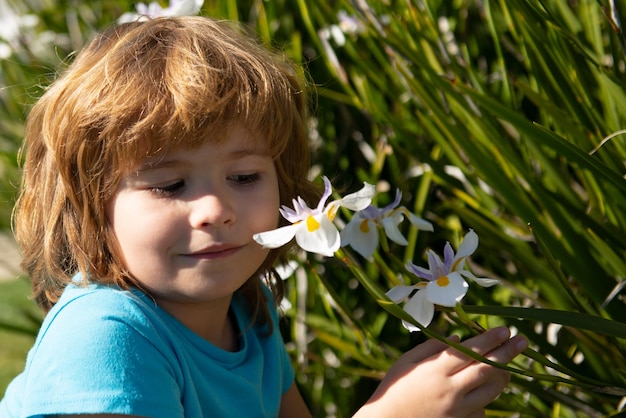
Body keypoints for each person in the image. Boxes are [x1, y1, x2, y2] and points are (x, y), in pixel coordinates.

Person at [0, 16, 528, 418]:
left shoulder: (249, 314)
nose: (215, 209)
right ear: (89, 208)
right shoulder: (103, 341)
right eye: (168, 184)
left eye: (246, 176)